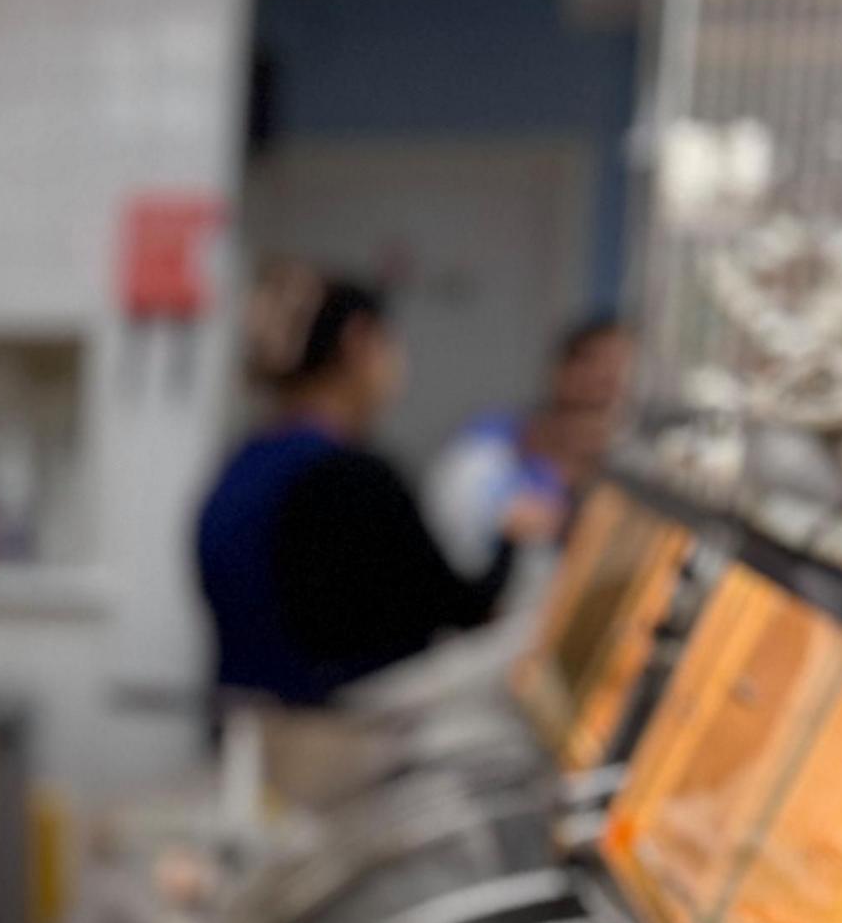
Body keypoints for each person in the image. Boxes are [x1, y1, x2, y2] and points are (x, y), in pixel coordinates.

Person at [196, 279, 526, 706]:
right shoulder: (347, 478)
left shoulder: (246, 462)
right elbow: (460, 607)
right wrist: (512, 533)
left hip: (249, 731)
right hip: (328, 745)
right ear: (359, 341)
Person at [424, 314, 636, 582]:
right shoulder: (483, 452)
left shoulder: (629, 484)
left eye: (621, 374)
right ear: (560, 373)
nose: (606, 384)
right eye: (593, 366)